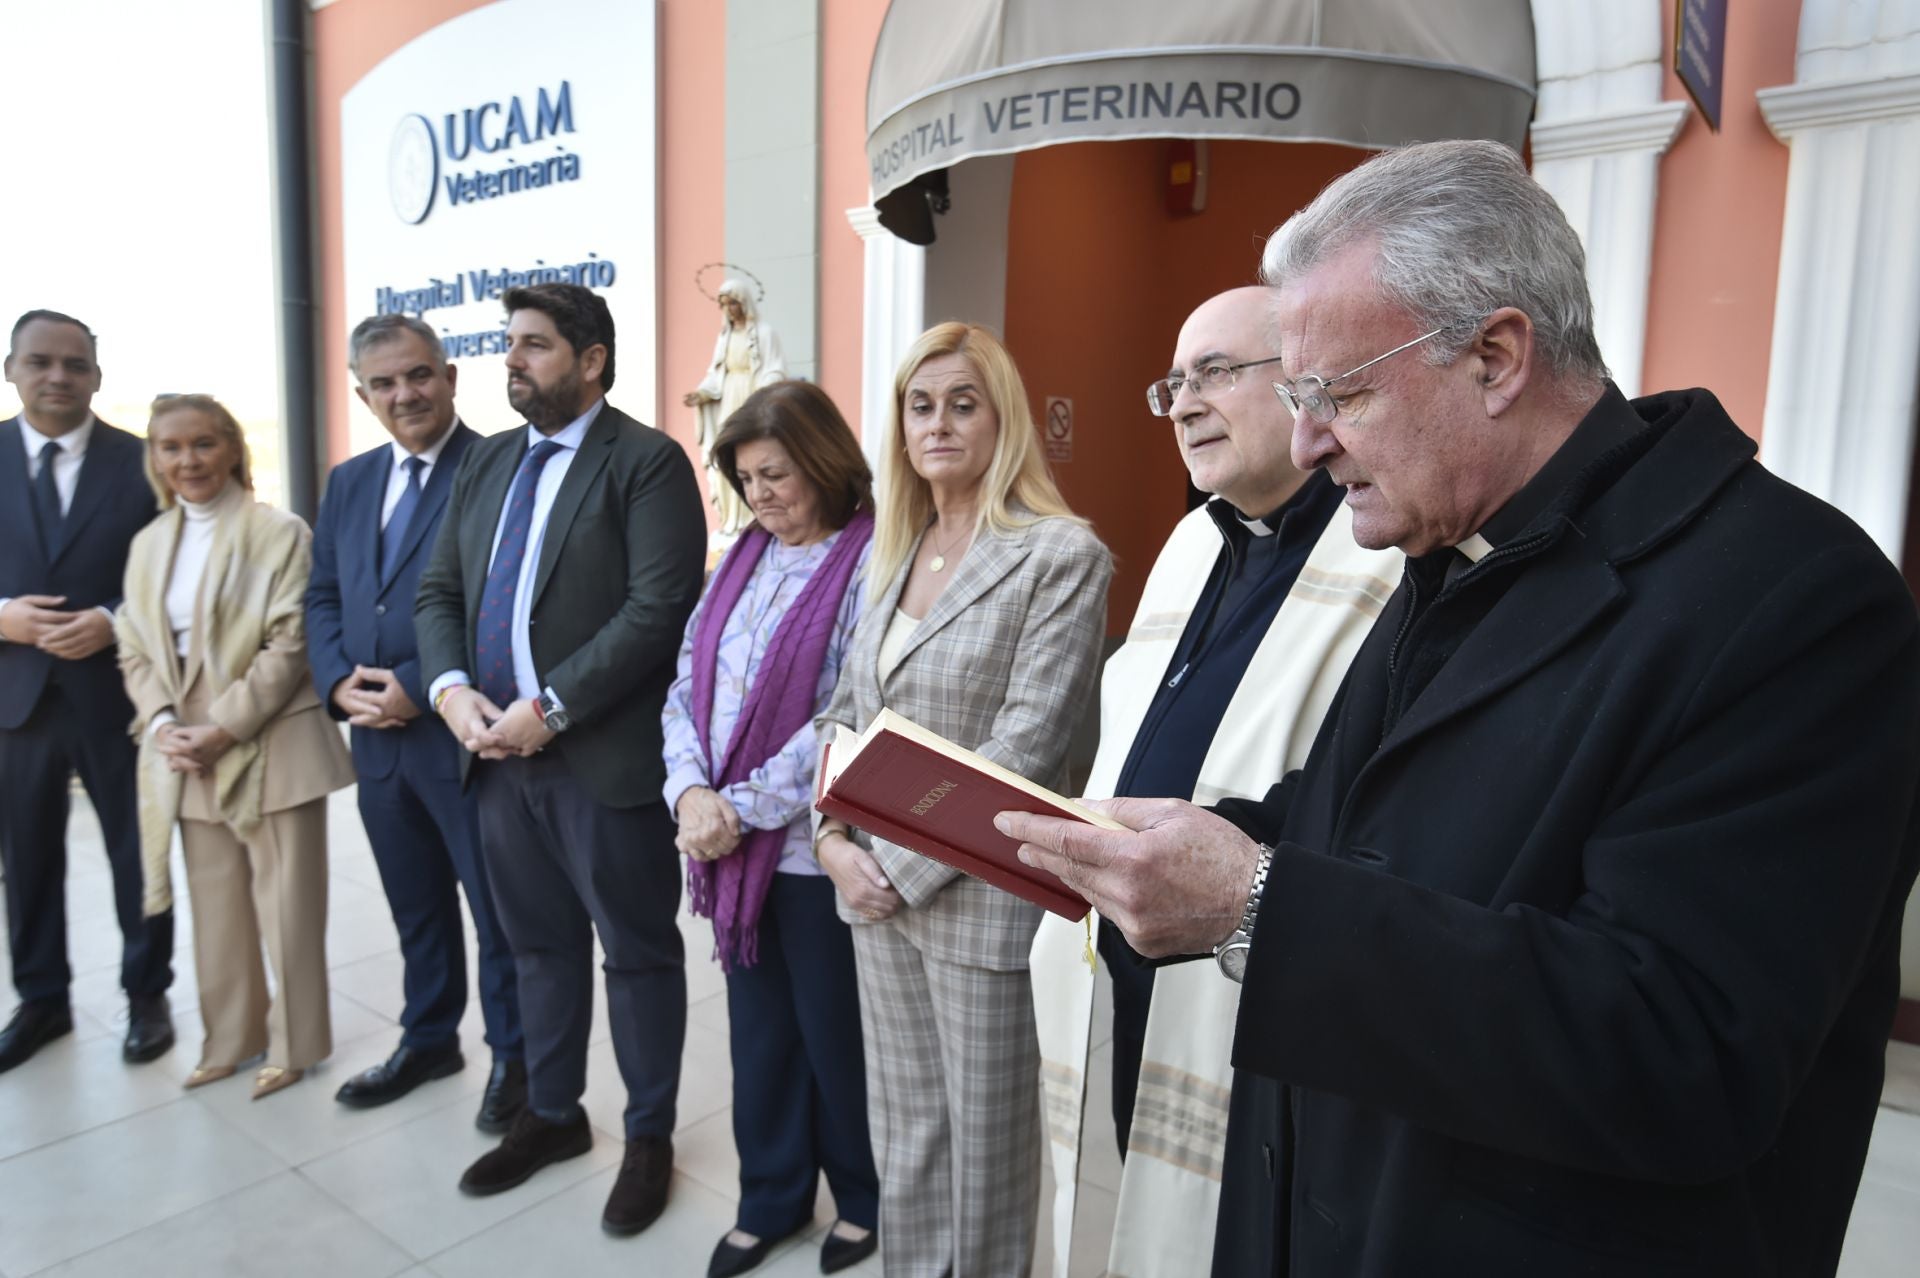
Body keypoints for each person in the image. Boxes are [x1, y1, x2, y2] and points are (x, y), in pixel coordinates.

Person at [1000, 139, 1920, 1277]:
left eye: (1336, 394)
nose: (1305, 442)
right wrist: (1223, 837)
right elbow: (1389, 818)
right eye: (1295, 396)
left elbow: (1686, 1051)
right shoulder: (1456, 535)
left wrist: (1256, 904)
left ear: (1495, 356)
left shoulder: (1794, 601)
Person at [1030, 286, 1402, 1277]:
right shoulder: (1194, 540)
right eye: (1174, 383)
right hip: (1138, 943)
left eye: (1216, 372)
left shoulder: (1386, 550)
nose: (1185, 402)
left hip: (1267, 962)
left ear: (1307, 382)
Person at [814, 322, 1112, 1277]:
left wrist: (891, 865)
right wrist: (830, 841)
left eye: (963, 402)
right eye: (919, 404)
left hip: (979, 902)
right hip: (871, 897)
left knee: (984, 1164)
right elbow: (841, 713)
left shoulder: (1059, 555)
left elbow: (1025, 745)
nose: (938, 423)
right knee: (906, 1143)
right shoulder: (890, 550)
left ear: (1003, 419)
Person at [415, 283, 705, 1237]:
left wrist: (552, 709)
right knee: (535, 947)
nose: (513, 361)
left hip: (599, 762)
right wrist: (452, 689)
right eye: (510, 345)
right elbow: (441, 590)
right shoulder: (489, 462)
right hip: (492, 758)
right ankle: (552, 1115)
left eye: (534, 346)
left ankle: (649, 1134)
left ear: (591, 359)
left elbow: (657, 611)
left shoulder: (648, 462)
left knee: (637, 952)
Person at [661, 380, 882, 1278]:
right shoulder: (741, 560)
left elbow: (846, 710)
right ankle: (773, 1197)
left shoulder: (871, 560)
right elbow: (686, 682)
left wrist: (737, 807)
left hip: (809, 851)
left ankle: (863, 1200)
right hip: (725, 843)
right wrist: (687, 794)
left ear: (824, 464)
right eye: (747, 478)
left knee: (834, 1038)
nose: (762, 496)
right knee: (759, 1039)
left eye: (777, 475)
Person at [306, 313, 526, 1130]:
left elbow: (501, 605)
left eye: (419, 375)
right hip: (375, 743)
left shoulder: (502, 468)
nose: (406, 394)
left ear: (451, 376)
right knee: (415, 906)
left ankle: (517, 1059)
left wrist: (414, 682)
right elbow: (323, 594)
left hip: (461, 740)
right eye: (386, 383)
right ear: (363, 395)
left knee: (495, 912)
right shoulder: (349, 481)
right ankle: (430, 1037)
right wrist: (336, 685)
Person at [116, 394, 355, 1099]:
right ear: (154, 457)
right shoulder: (149, 542)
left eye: (202, 444)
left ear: (231, 448)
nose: (186, 460)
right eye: (170, 447)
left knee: (287, 905)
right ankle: (232, 1037)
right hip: (182, 743)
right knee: (215, 905)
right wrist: (162, 724)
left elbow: (290, 643)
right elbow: (132, 644)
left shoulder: (276, 532)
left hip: (268, 735)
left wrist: (224, 727)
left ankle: (295, 1043)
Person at [0, 310, 175, 1073]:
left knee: (137, 855)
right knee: (28, 857)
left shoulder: (143, 463)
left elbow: (178, 577)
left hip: (117, 696)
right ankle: (42, 1001)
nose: (57, 377)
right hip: (17, 698)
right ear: (12, 369)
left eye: (74, 365)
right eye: (40, 362)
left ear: (97, 377)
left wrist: (114, 620)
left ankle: (147, 996)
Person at [683, 278, 787, 535]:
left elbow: (774, 368)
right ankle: (731, 520)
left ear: (744, 302)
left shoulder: (764, 333)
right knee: (725, 455)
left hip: (751, 396)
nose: (729, 309)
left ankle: (750, 517)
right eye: (724, 304)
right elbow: (716, 373)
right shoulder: (725, 338)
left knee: (752, 453)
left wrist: (762, 396)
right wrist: (702, 394)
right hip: (729, 399)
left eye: (733, 303)